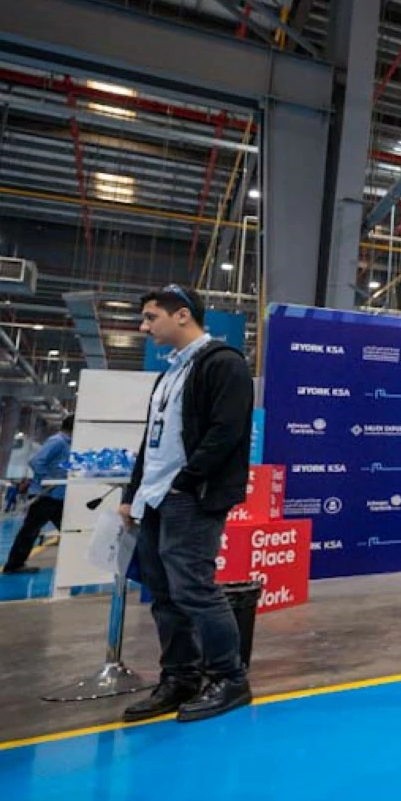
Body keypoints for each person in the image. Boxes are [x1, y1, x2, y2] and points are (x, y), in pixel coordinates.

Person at [120, 286, 255, 723]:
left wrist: (186, 481)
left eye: (150, 317)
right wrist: (132, 494)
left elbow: (226, 430)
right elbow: (151, 441)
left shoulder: (223, 363)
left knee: (194, 590)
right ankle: (180, 677)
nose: (144, 327)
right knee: (163, 595)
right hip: (155, 498)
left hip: (190, 498)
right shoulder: (170, 374)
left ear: (182, 315)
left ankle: (229, 678)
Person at [2, 416, 72, 575]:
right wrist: (48, 479)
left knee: (69, 528)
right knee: (30, 530)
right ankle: (14, 565)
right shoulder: (58, 442)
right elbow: (36, 461)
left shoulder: (66, 443)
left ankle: (15, 564)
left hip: (57, 496)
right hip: (45, 496)